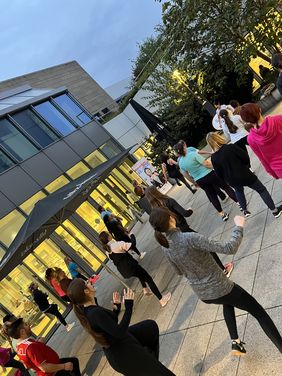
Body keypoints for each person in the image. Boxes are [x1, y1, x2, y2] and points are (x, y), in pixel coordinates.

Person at [149, 207, 282, 356]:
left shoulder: (166, 247)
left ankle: (235, 342)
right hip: (219, 287)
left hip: (204, 294)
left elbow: (179, 271)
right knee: (258, 311)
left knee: (227, 301)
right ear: (171, 218)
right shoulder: (189, 238)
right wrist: (238, 227)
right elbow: (229, 247)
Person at [67, 279, 175, 375]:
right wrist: (128, 307)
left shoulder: (91, 308)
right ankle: (149, 366)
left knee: (150, 327)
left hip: (119, 343)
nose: (89, 282)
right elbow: (119, 332)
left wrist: (117, 307)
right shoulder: (94, 313)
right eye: (86, 283)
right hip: (122, 355)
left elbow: (110, 324)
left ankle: (150, 363)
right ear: (86, 291)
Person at [145, 185, 233, 277]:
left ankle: (211, 273)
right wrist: (190, 210)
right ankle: (223, 270)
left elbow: (179, 271)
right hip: (184, 229)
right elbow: (185, 213)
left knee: (193, 256)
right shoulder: (169, 201)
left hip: (173, 236)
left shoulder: (155, 211)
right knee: (207, 247)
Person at [206, 132, 282, 218]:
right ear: (218, 138)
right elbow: (245, 157)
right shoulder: (230, 147)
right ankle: (275, 211)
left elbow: (218, 173)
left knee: (238, 191)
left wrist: (226, 180)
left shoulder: (213, 158)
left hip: (232, 180)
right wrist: (246, 166)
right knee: (261, 190)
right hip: (244, 174)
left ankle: (245, 211)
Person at [99, 231, 171, 306]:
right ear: (108, 237)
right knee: (149, 279)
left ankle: (145, 288)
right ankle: (161, 299)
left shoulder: (107, 251)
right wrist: (132, 235)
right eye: (109, 233)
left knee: (140, 274)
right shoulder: (117, 245)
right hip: (131, 266)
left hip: (124, 271)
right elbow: (133, 245)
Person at [174, 140, 238, 221]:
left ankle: (223, 215)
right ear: (184, 149)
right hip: (210, 174)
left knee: (213, 196)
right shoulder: (193, 154)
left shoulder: (180, 163)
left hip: (200, 181)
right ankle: (239, 203)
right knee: (226, 187)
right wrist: (216, 168)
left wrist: (194, 182)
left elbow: (186, 175)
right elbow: (207, 164)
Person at [7, 318, 81, 376]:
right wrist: (64, 366)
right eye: (26, 325)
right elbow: (44, 367)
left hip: (53, 367)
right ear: (22, 332)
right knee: (72, 363)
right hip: (53, 372)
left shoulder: (20, 346)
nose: (29, 325)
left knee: (73, 361)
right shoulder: (30, 348)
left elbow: (31, 359)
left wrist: (39, 343)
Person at [240, 103, 282, 179]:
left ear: (245, 120)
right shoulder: (279, 119)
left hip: (279, 169)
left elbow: (263, 159)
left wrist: (273, 173)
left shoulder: (251, 139)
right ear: (259, 109)